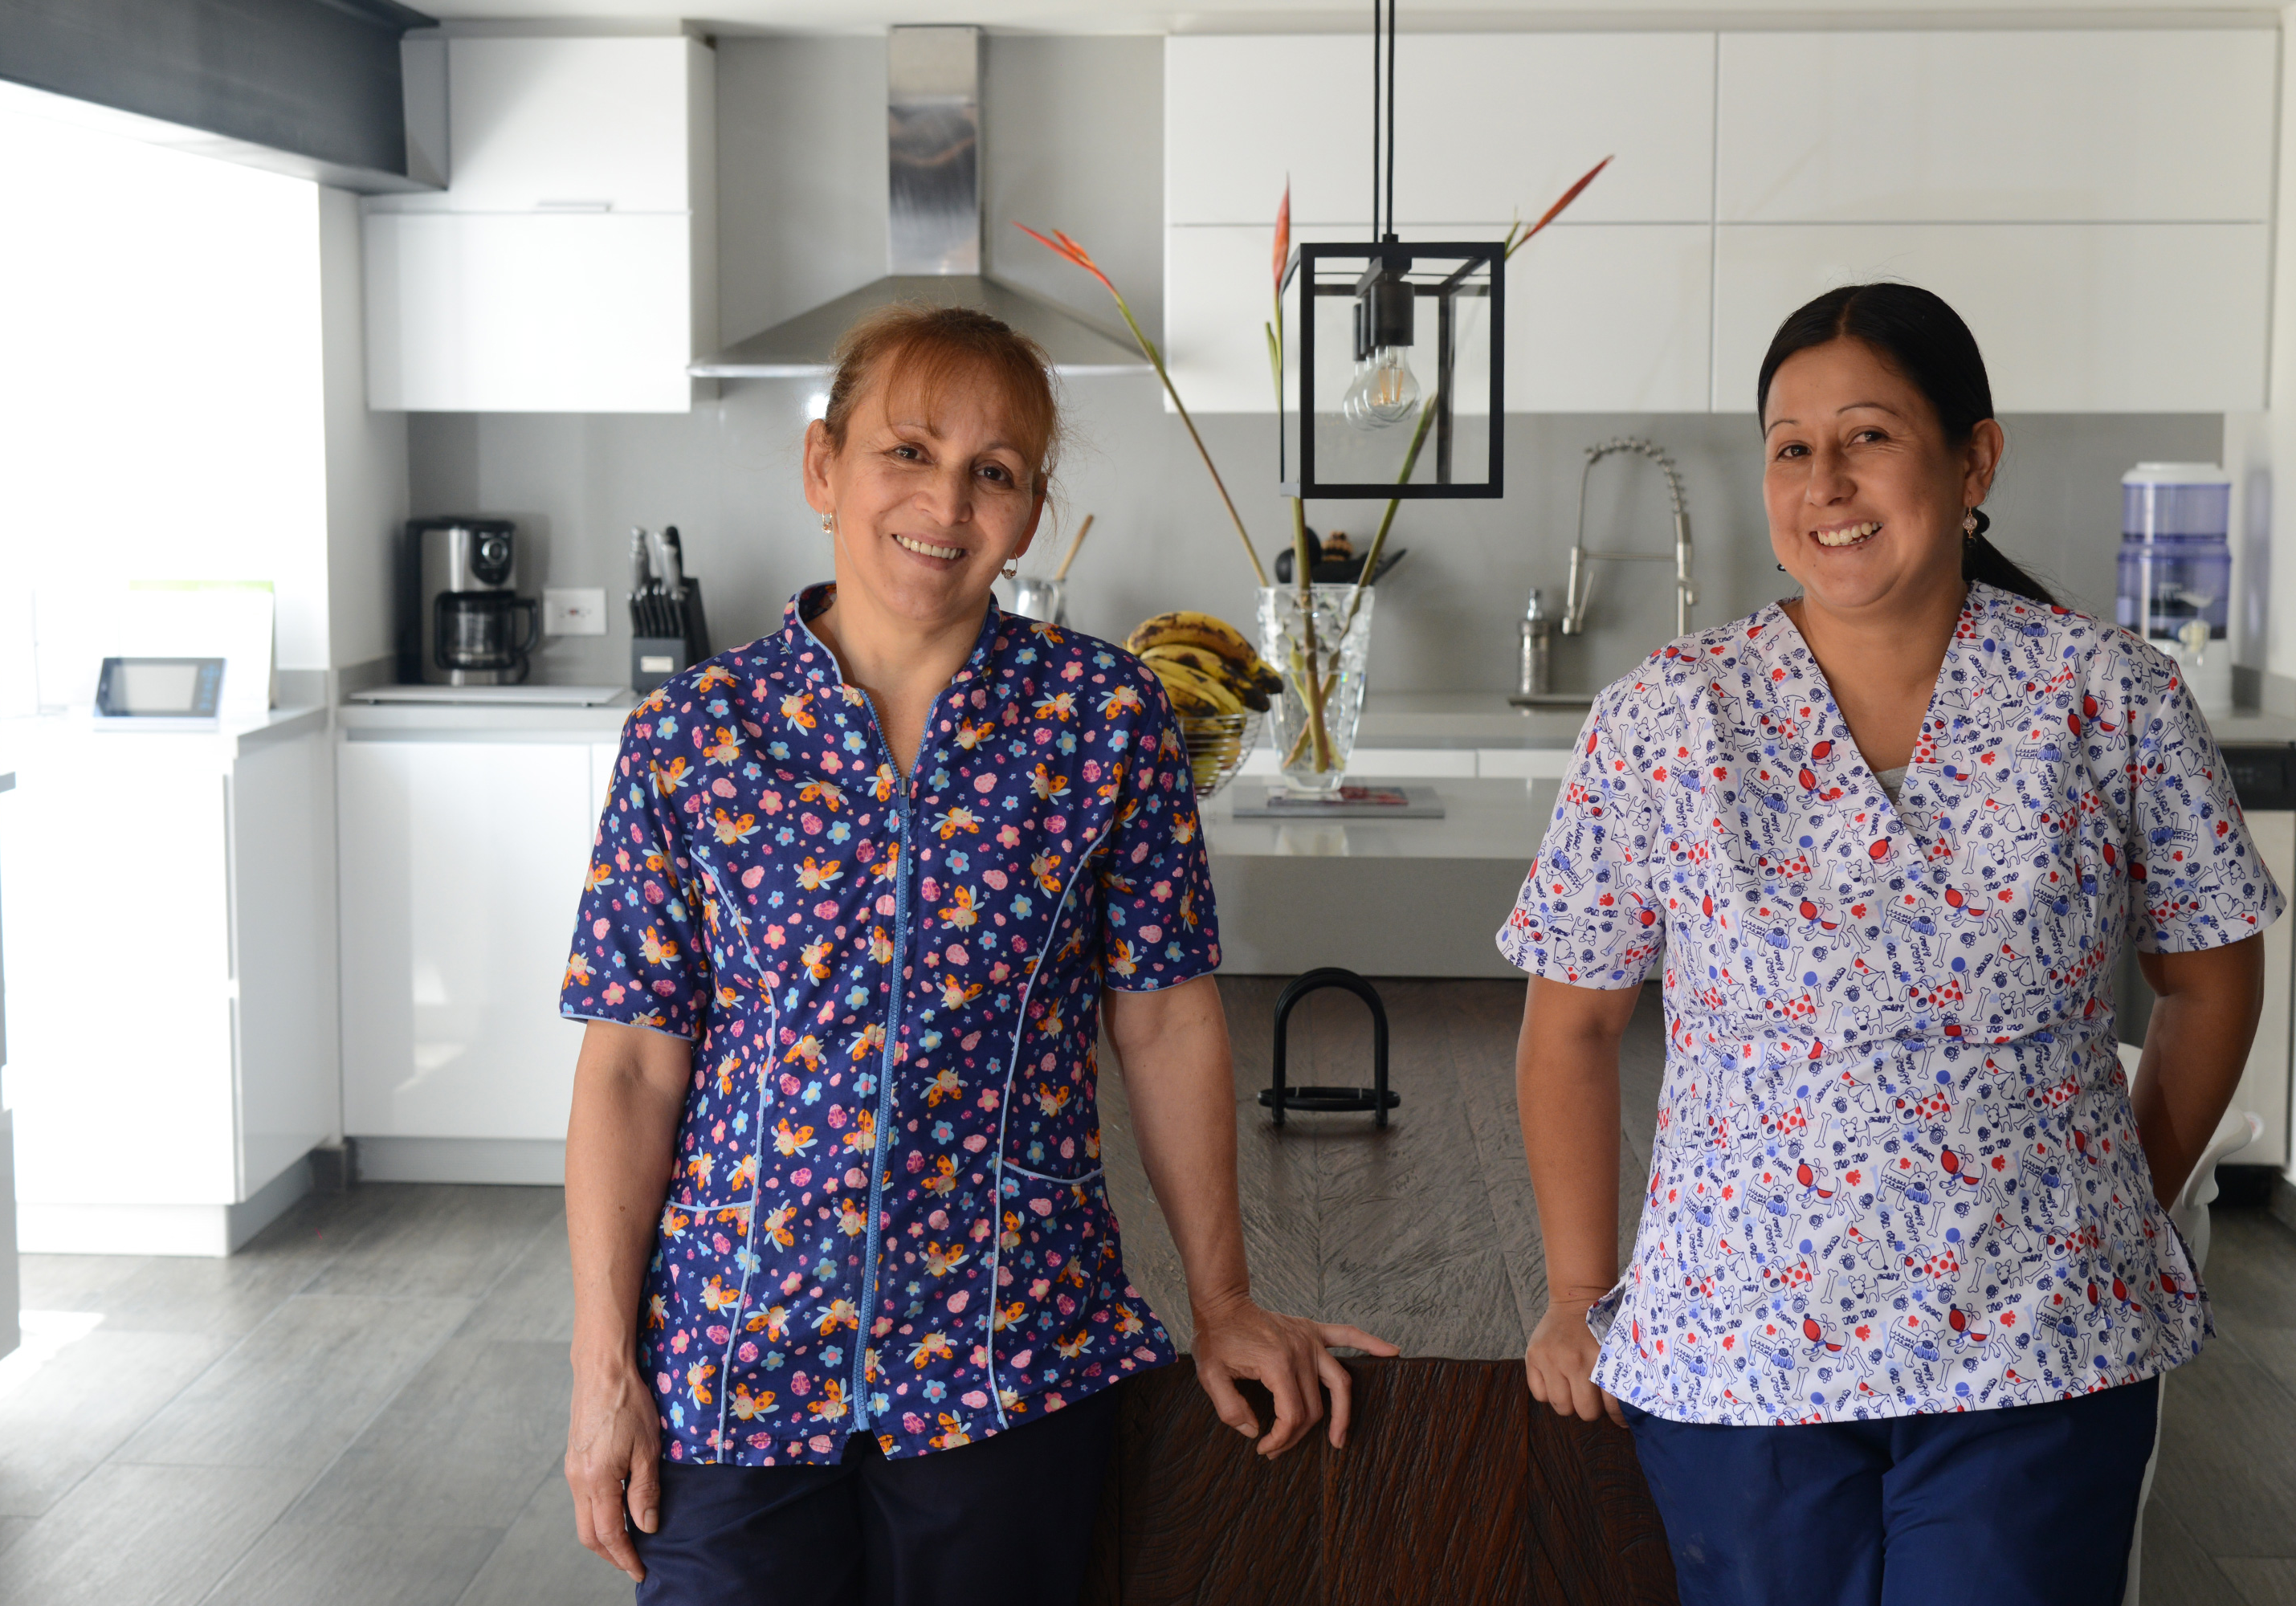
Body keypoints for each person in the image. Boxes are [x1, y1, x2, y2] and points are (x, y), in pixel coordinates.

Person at [557, 303, 1395, 1605]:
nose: (945, 503)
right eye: (908, 452)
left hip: (1009, 1353)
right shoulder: (691, 736)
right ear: (824, 467)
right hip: (735, 1355)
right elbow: (630, 1071)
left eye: (994, 472)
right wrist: (605, 1370)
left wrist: (1225, 1300)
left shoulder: (1105, 720)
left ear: (1031, 508)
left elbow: (1166, 1022)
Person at [1503, 283, 2277, 1605]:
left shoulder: (2110, 694)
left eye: (1868, 435)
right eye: (1791, 447)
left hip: (2040, 1346)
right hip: (1737, 1345)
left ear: (1974, 458)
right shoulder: (1666, 718)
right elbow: (1570, 1023)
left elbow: (2210, 977)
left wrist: (2111, 1203)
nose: (1825, 480)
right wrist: (1579, 1290)